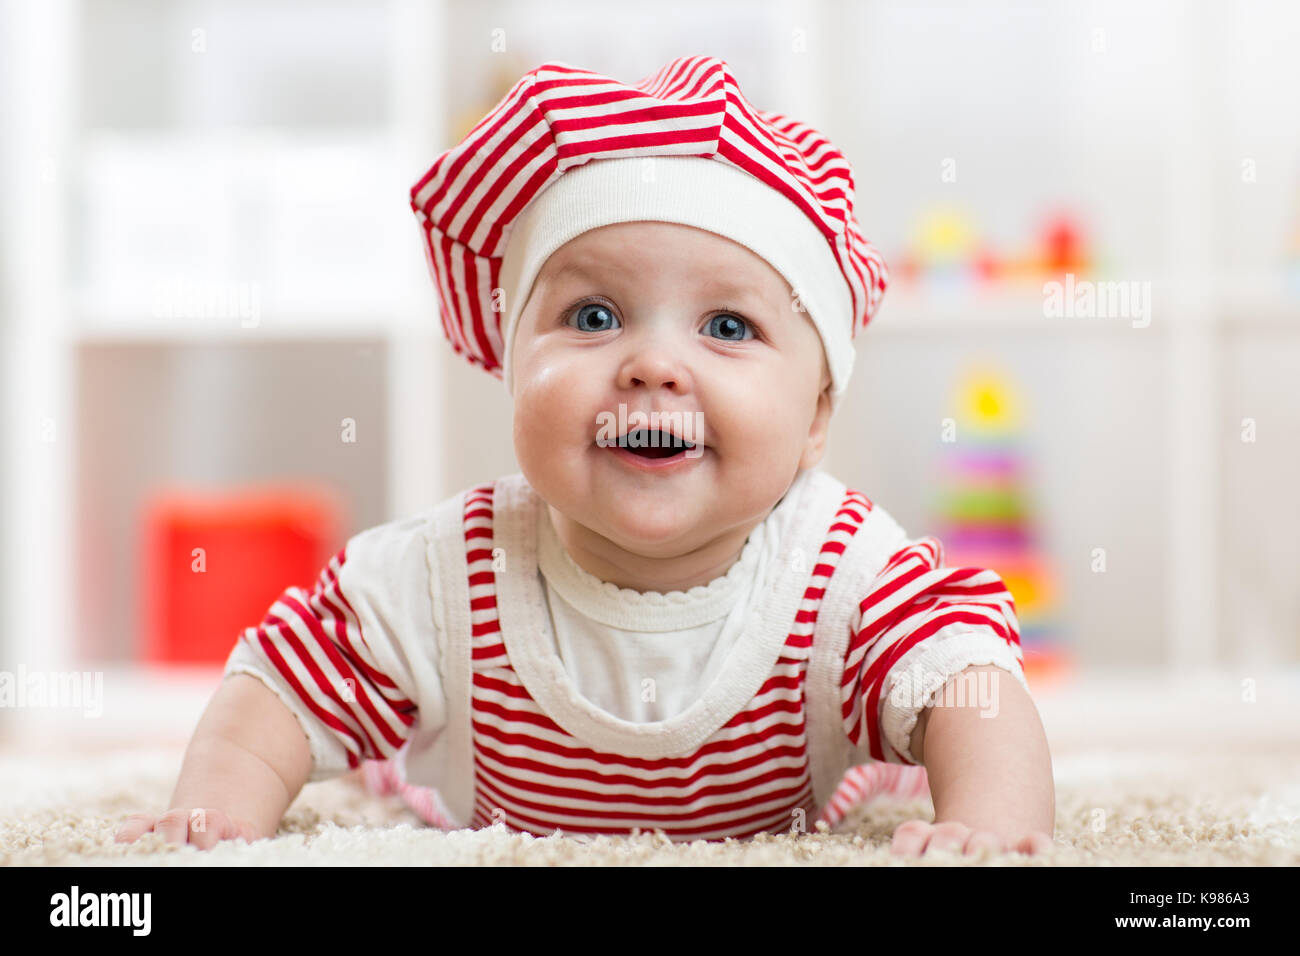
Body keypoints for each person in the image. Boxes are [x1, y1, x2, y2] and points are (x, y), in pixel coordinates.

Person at [117, 56, 1054, 857]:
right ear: (513, 359)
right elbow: (280, 683)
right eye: (593, 317)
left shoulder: (840, 570)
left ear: (815, 416)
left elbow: (966, 674)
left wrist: (985, 823)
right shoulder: (448, 575)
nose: (653, 363)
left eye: (727, 326)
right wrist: (213, 816)